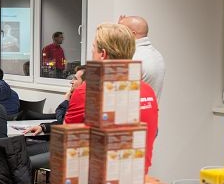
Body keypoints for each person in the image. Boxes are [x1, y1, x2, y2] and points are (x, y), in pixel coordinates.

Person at [65, 23, 159, 172]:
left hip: (97, 180)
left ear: (102, 54)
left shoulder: (87, 91)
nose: (91, 52)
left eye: (93, 48)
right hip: (138, 177)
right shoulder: (147, 91)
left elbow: (68, 142)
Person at [23, 65, 86, 135]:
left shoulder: (80, 98)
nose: (71, 82)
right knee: (28, 114)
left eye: (75, 79)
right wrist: (43, 127)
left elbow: (62, 119)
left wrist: (66, 101)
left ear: (84, 83)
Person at [119, 15, 166, 99]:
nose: (116, 34)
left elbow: (121, 97)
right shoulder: (157, 55)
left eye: (120, 31)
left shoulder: (133, 59)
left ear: (131, 34)